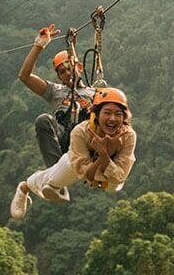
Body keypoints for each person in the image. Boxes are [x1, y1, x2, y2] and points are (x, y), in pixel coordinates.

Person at [10, 87, 136, 220]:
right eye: (107, 112)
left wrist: (104, 155)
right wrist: (104, 154)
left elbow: (119, 177)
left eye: (118, 114)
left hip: (109, 178)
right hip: (81, 166)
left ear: (124, 117)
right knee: (53, 179)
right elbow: (86, 175)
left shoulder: (128, 136)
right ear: (96, 114)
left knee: (113, 186)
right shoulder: (80, 131)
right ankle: (25, 187)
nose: (112, 118)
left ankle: (48, 186)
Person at [18, 23, 96, 170]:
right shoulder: (55, 91)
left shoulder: (95, 93)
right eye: (62, 72)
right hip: (64, 140)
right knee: (43, 120)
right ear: (59, 77)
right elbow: (24, 76)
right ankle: (56, 170)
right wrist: (38, 46)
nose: (67, 73)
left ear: (79, 67)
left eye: (69, 68)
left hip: (87, 142)